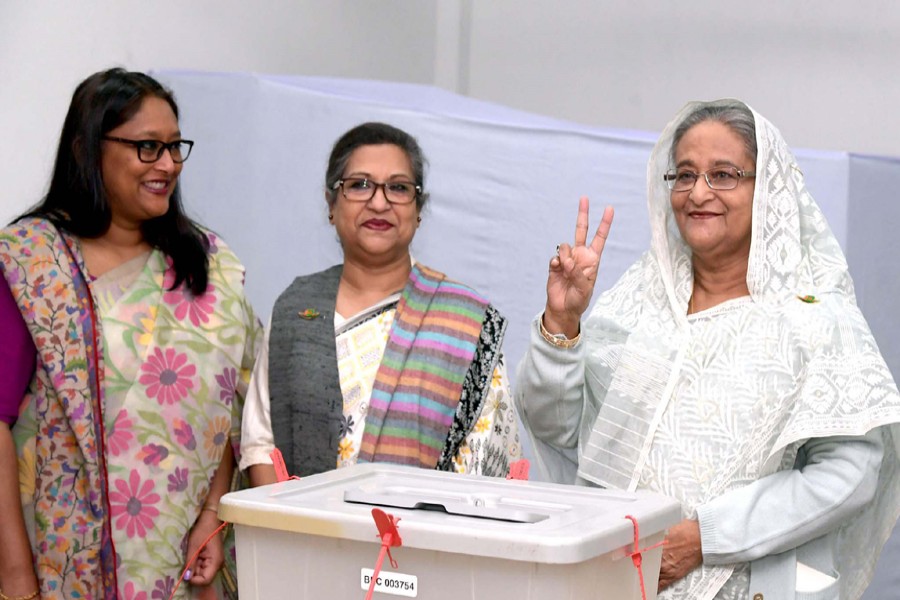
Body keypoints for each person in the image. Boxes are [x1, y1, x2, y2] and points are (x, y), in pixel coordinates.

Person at [515, 99, 900, 599]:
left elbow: (851, 474)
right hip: (613, 581)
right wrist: (563, 324)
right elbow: (562, 431)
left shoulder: (813, 317)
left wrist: (704, 539)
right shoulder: (637, 303)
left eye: (724, 174)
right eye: (685, 174)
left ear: (769, 191)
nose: (698, 193)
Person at [0, 68, 262, 599]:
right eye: (147, 148)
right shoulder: (32, 262)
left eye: (174, 147)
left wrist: (213, 514)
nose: (167, 165)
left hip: (185, 567)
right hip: (59, 568)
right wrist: (16, 580)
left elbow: (230, 412)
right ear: (87, 149)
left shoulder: (208, 265)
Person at [241, 122, 520, 485]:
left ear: (418, 208)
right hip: (298, 537)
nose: (378, 202)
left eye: (398, 188)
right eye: (359, 185)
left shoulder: (465, 324)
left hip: (422, 538)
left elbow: (486, 469)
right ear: (331, 203)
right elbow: (259, 444)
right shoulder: (297, 308)